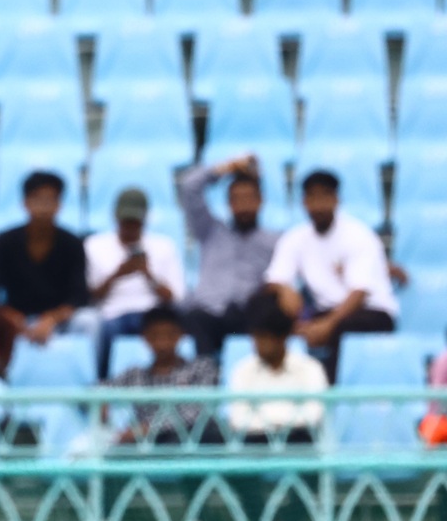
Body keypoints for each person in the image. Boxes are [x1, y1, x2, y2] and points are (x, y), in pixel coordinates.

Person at [265, 170, 398, 382]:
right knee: (266, 312)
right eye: (312, 198)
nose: (318, 205)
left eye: (324, 197)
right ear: (304, 202)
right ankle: (274, 389)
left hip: (372, 312)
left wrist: (328, 324)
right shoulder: (296, 237)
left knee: (342, 329)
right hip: (325, 312)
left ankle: (329, 397)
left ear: (336, 200)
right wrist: (283, 290)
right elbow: (274, 279)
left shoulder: (359, 235)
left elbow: (359, 293)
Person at [179, 155, 280, 358]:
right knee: (194, 315)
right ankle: (205, 379)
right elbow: (188, 186)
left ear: (261, 201)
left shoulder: (276, 241)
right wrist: (227, 168)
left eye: (249, 199)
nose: (243, 206)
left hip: (249, 316)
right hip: (209, 313)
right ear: (228, 203)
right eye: (237, 199)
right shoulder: (209, 230)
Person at [0, 170, 99, 347]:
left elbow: (79, 296)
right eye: (37, 200)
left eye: (50, 200)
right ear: (25, 203)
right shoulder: (5, 242)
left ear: (59, 205)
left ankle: (94, 373)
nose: (43, 207)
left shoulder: (72, 243)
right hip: (16, 317)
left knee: (90, 320)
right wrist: (11, 316)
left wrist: (51, 319)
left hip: (59, 319)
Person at [85, 188, 186, 379]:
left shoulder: (164, 245)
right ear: (116, 217)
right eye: (126, 222)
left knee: (169, 328)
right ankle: (102, 382)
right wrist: (118, 274)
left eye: (135, 223)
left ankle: (176, 381)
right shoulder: (94, 245)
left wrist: (148, 274)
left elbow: (173, 297)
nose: (130, 228)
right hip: (111, 314)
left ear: (145, 219)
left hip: (152, 312)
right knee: (103, 328)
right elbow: (91, 297)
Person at [103, 305, 219, 445]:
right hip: (150, 446)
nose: (163, 344)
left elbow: (198, 412)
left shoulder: (201, 368)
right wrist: (101, 402)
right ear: (145, 338)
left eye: (169, 335)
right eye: (155, 336)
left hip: (193, 442)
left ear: (181, 335)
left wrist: (149, 428)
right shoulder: (135, 375)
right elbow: (99, 389)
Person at [226, 290, 328, 444]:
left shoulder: (310, 369)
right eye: (256, 337)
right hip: (256, 445)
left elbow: (313, 415)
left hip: (298, 444)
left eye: (265, 337)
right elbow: (238, 419)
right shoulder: (242, 370)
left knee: (304, 439)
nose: (259, 345)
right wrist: (281, 423)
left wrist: (269, 423)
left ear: (282, 337)